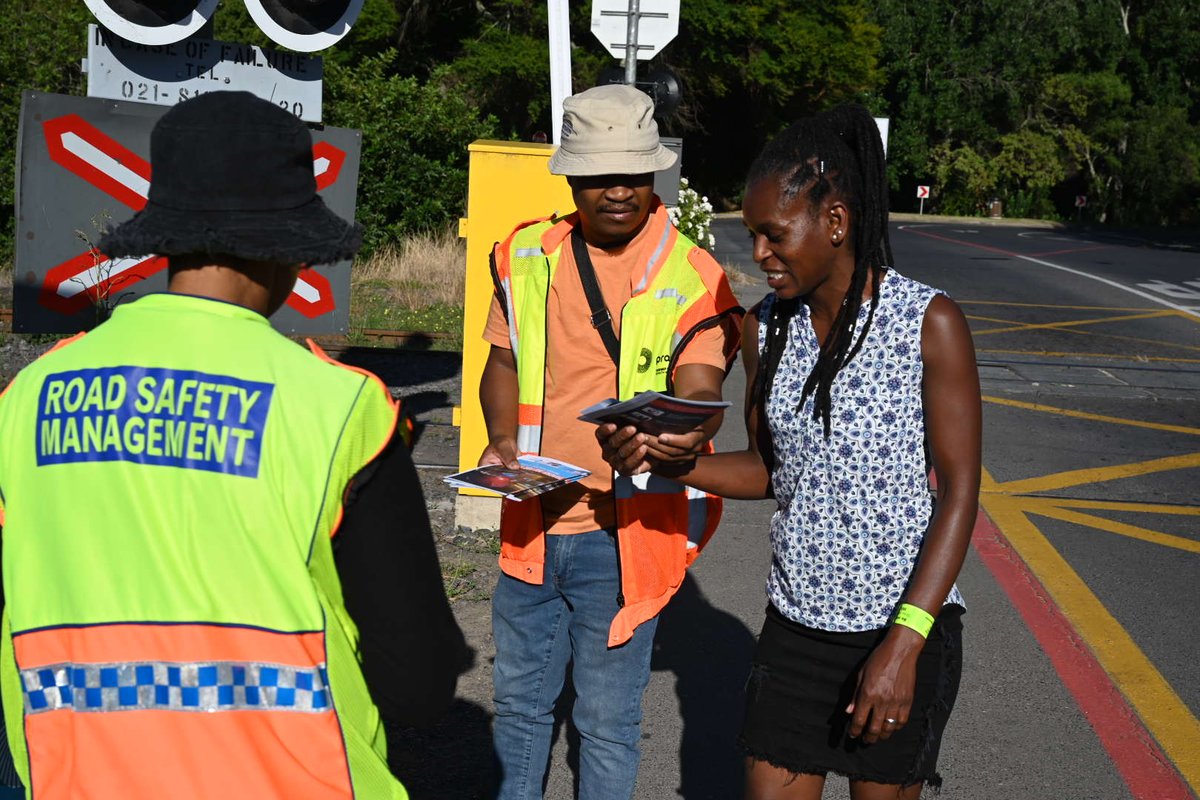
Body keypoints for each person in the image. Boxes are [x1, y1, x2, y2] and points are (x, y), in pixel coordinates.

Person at [0, 91, 469, 798]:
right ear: (288, 250)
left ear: (165, 236)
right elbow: (418, 687)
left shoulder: (28, 396)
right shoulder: (340, 407)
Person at [598, 104, 981, 799]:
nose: (759, 255)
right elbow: (769, 470)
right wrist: (664, 460)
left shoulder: (929, 323)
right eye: (753, 235)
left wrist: (905, 643)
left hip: (901, 627)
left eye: (774, 235)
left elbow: (958, 492)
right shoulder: (764, 329)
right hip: (796, 628)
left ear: (835, 221)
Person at [479, 84, 743, 800]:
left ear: (656, 172)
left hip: (624, 536)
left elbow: (702, 389)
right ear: (571, 179)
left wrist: (677, 433)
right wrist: (500, 438)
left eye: (633, 172)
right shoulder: (525, 255)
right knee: (519, 711)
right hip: (530, 521)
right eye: (599, 175)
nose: (619, 190)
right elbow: (502, 360)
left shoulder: (693, 274)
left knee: (605, 723)